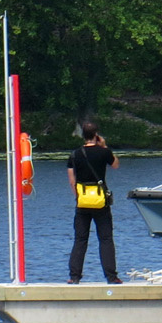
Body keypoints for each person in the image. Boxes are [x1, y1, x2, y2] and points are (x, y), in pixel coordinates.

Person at [67, 120, 122, 284]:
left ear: (83, 135)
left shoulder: (75, 154)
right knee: (105, 239)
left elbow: (71, 180)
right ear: (96, 135)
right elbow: (116, 165)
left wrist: (78, 197)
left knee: (80, 239)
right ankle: (111, 277)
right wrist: (104, 146)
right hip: (100, 201)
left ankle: (74, 277)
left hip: (82, 201)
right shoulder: (103, 152)